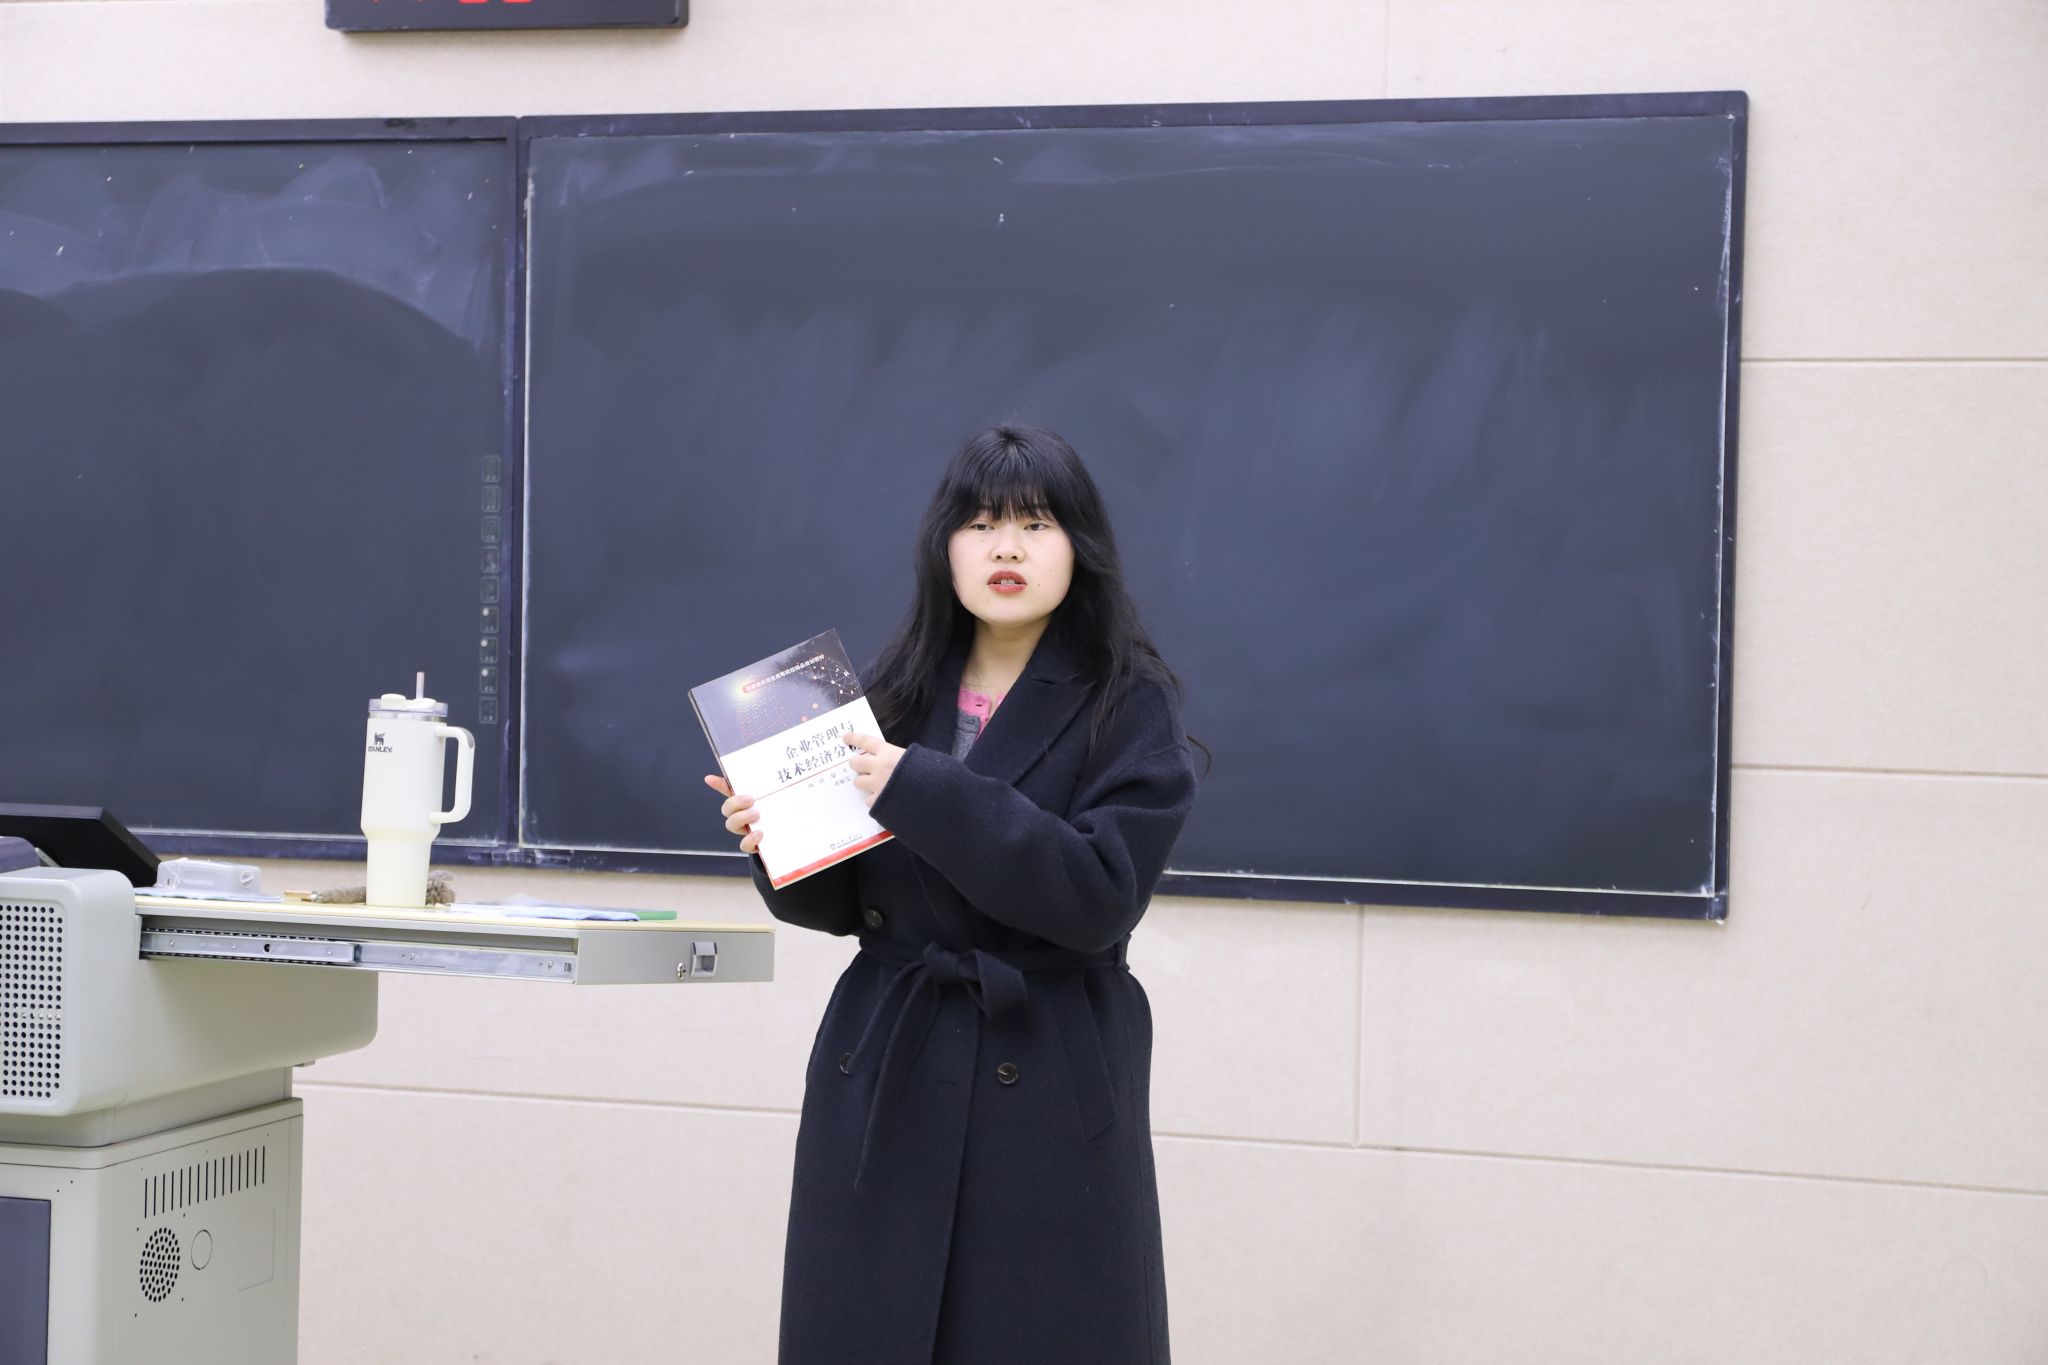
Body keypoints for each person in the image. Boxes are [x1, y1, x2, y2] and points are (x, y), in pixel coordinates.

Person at [704, 423, 1202, 1364]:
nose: (1006, 546)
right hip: (888, 1068)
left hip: (1046, 1072)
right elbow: (849, 907)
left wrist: (920, 788)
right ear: (945, 547)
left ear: (1080, 547)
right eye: (980, 523)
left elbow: (1098, 893)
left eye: (1035, 523)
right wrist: (776, 842)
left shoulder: (1128, 702)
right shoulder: (890, 690)